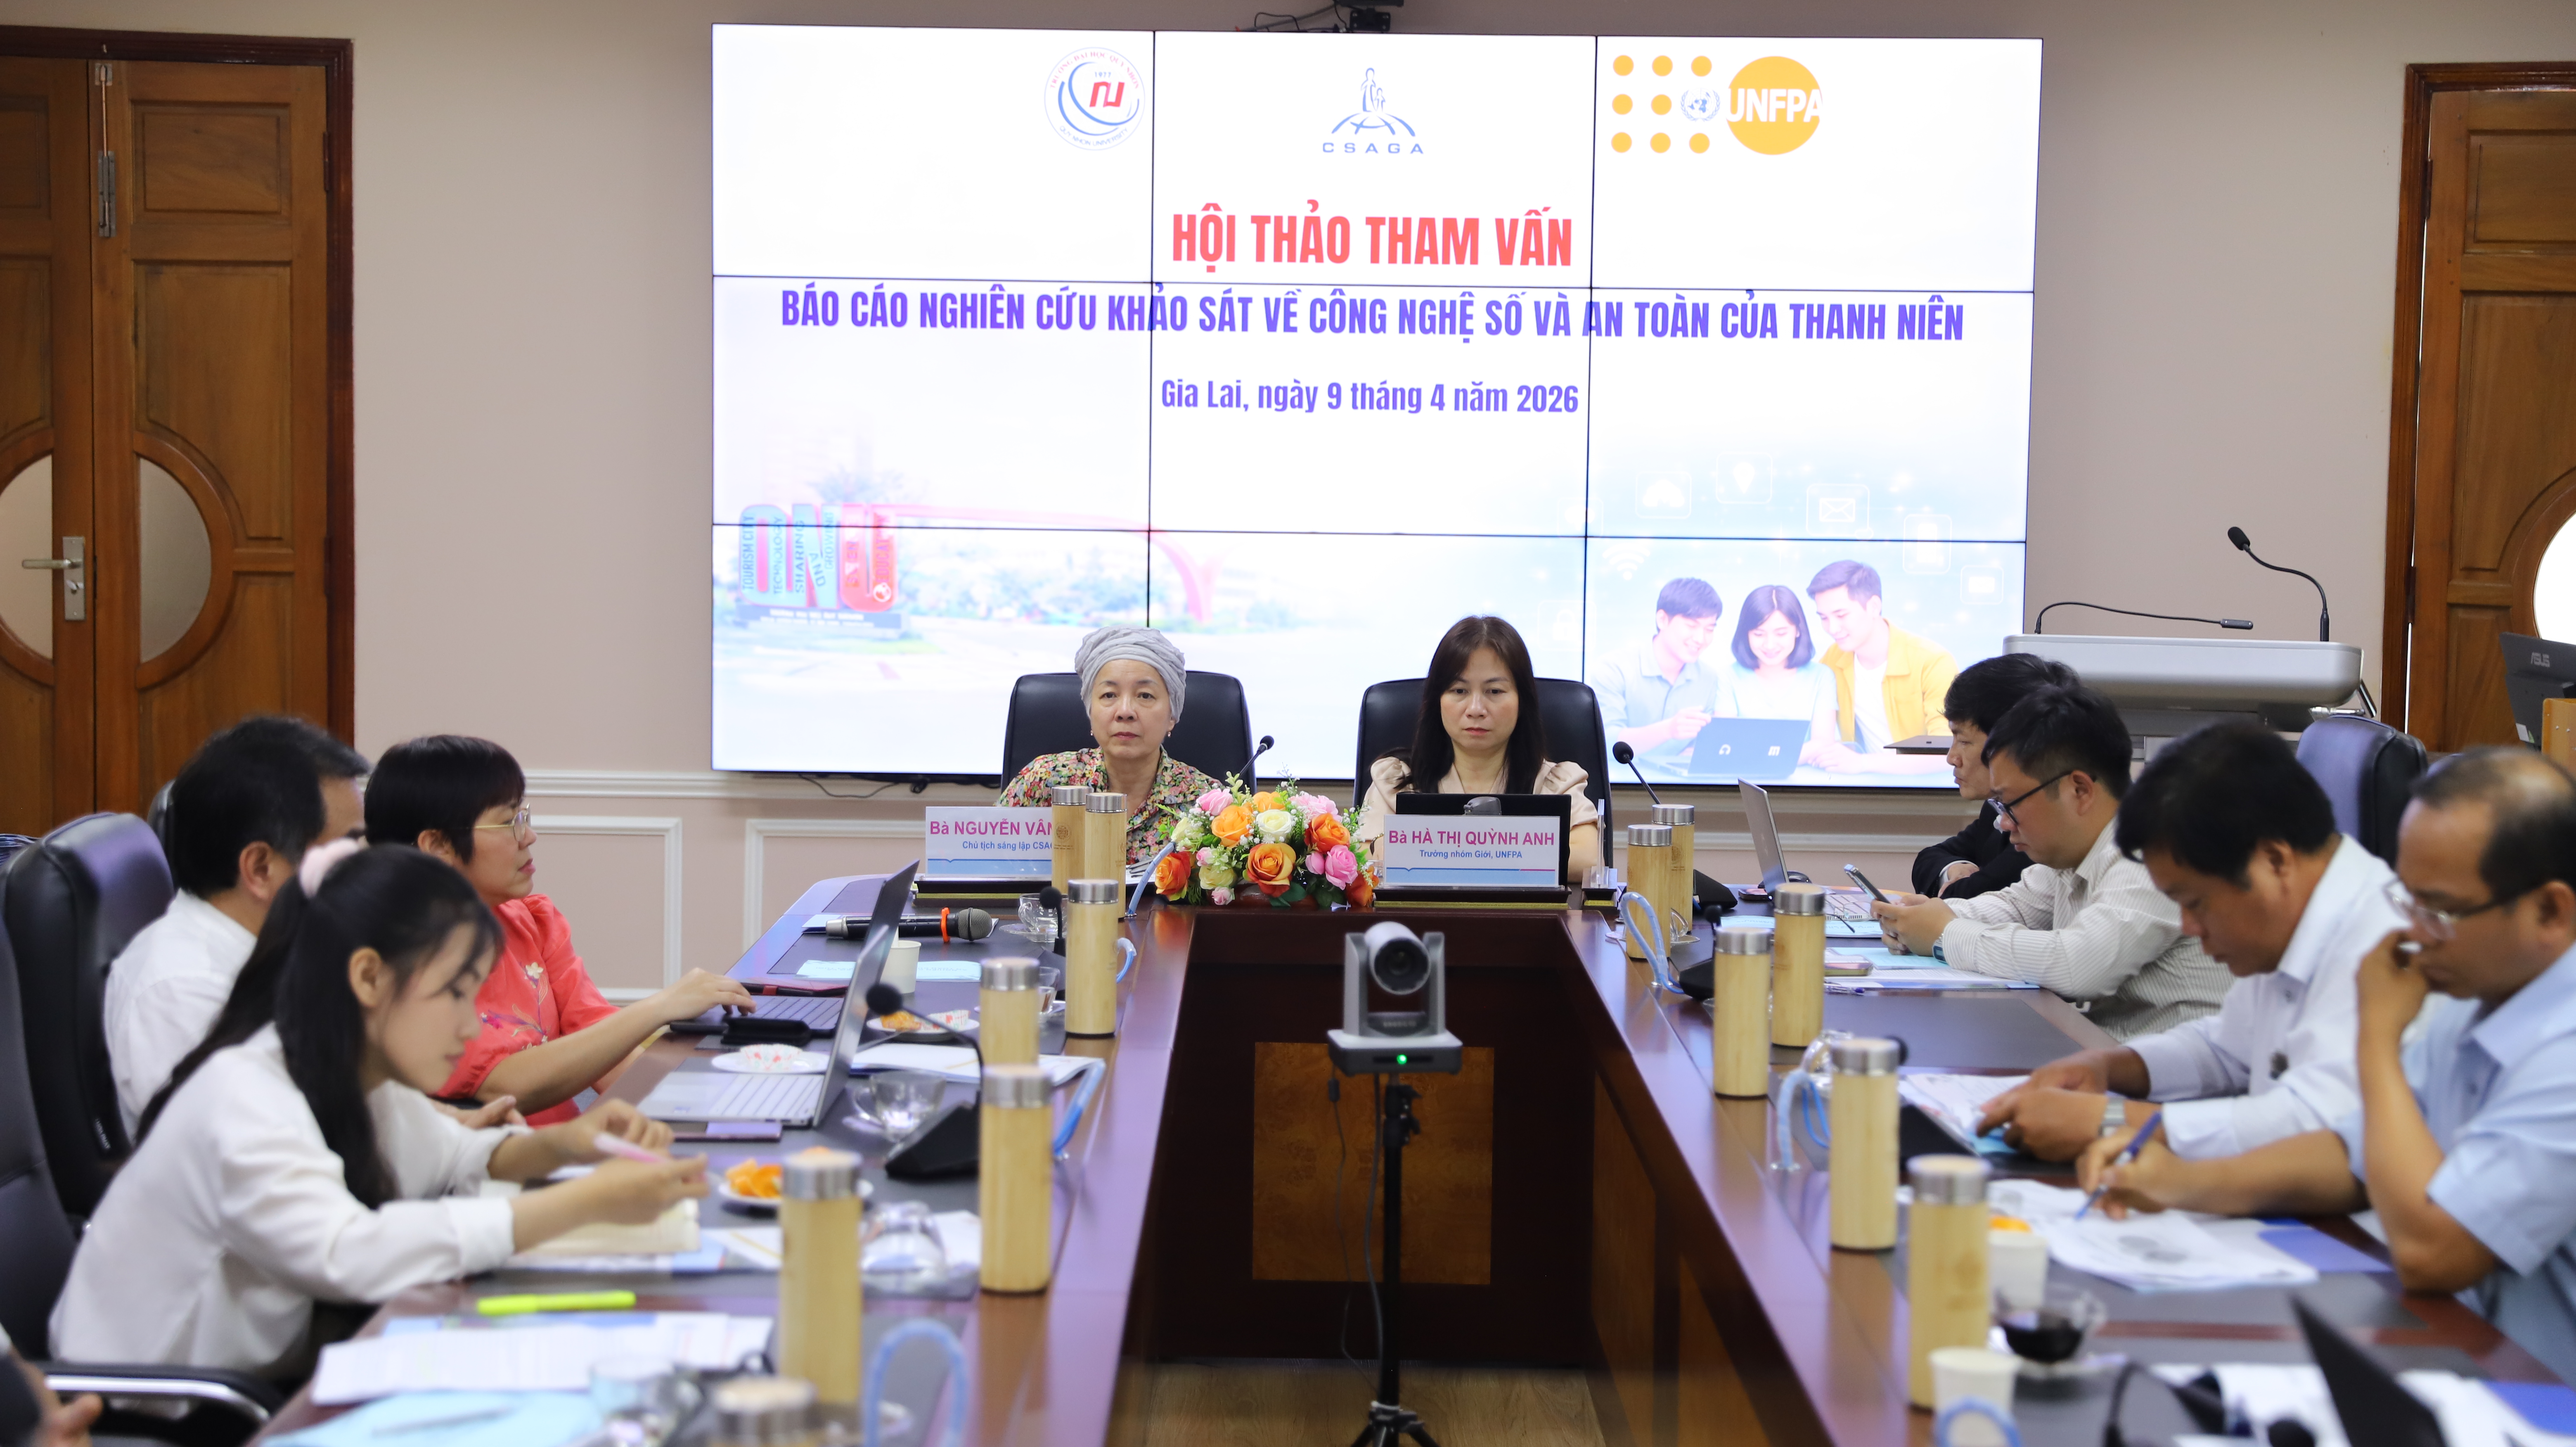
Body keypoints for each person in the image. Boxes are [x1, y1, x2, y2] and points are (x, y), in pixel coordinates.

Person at [52, 843, 706, 1375]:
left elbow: (457, 1155)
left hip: (272, 1375)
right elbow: (347, 1253)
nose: (470, 1027)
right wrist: (584, 1202)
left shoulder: (349, 1072)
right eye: (455, 994)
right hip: (162, 1411)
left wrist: (567, 1145)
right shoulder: (243, 1094)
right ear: (368, 977)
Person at [2082, 750, 2576, 1385]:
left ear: (2550, 912)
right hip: (2461, 1356)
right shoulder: (2474, 994)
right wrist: (2180, 1182)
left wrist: (2378, 1035)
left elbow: (2434, 1253)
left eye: (2440, 909)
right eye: (2409, 898)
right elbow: (2350, 1153)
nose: (2413, 931)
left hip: (2542, 1394)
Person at [1975, 721, 2401, 1161]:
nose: (2190, 927)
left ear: (2274, 861)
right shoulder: (2293, 920)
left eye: (2197, 903)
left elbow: (2315, 1130)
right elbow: (2226, 1048)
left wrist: (2113, 1121)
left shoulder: (2383, 945)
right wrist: (2106, 1066)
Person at [365, 736, 752, 1125]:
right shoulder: (406, 960)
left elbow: (602, 1043)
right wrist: (660, 1007)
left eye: (524, 815)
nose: (528, 836)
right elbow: (502, 1087)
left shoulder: (531, 921)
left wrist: (713, 1102)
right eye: (509, 821)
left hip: (568, 1144)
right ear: (438, 846)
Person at [1870, 686, 2227, 1039]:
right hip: (2108, 1049)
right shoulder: (2076, 850)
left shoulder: (2152, 852)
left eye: (2011, 804)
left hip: (2179, 1068)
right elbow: (2016, 907)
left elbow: (2079, 965)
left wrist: (1945, 934)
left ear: (2079, 790)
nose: (2004, 823)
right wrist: (1924, 919)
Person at [105, 716, 369, 1134]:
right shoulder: (183, 992)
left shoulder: (283, 944)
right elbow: (245, 1153)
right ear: (261, 868)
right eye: (347, 849)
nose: (364, 869)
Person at [1357, 616, 1603, 883]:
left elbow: (1588, 859)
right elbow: (1362, 857)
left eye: (1494, 691)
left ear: (1523, 701)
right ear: (1437, 701)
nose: (1476, 709)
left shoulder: (1555, 785)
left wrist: (1439, 854)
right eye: (1459, 691)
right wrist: (1512, 856)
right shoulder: (1397, 782)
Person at [998, 626, 1223, 869]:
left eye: (1145, 696)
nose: (1125, 711)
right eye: (1109, 695)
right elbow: (988, 862)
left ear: (1172, 715)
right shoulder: (1044, 781)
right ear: (1090, 710)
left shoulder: (1208, 804)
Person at [1911, 655, 2077, 900]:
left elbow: (1974, 896)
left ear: (2013, 744)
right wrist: (1954, 870)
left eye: (1964, 741)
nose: (1952, 758)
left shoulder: (2044, 821)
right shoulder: (1996, 808)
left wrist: (1956, 889)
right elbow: (1929, 858)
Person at [1807, 560, 1956, 773]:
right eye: (1824, 618)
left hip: (1926, 788)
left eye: (1841, 615)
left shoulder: (1933, 662)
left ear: (1874, 607)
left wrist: (1861, 763)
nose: (1832, 628)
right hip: (1865, 785)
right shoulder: (1833, 659)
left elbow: (1948, 753)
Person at [1591, 578, 1729, 760]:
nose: (1700, 639)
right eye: (1692, 626)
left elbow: (1705, 743)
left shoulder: (1709, 677)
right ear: (1662, 620)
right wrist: (1668, 730)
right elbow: (1605, 742)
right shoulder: (1613, 669)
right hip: (1619, 778)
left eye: (1709, 629)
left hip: (1679, 779)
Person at [1715, 584, 1836, 751]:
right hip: (1745, 769)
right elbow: (1725, 744)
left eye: (1781, 634)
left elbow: (1823, 743)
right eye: (1759, 634)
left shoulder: (1821, 677)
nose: (1770, 645)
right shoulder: (1729, 677)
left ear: (1798, 631)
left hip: (1804, 769)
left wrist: (1767, 756)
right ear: (1746, 634)